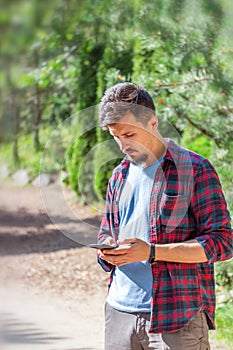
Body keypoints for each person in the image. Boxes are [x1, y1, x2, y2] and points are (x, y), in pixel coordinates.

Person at [96, 82, 233, 350]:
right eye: (115, 136)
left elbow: (223, 242)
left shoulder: (195, 169)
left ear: (152, 122)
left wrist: (151, 252)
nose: (122, 144)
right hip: (119, 311)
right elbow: (107, 232)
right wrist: (107, 252)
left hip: (177, 317)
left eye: (129, 134)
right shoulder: (119, 175)